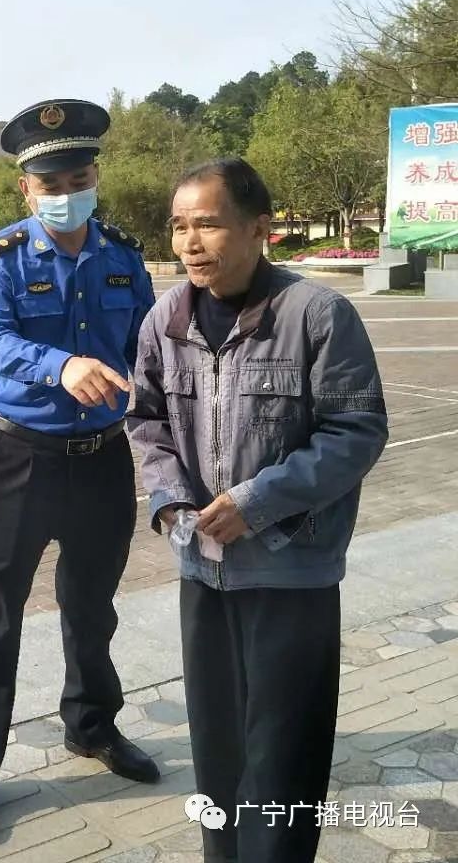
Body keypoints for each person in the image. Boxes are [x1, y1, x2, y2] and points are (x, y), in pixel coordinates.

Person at [128, 157, 388, 863]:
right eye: (180, 226)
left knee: (283, 758)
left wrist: (256, 502)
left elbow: (355, 433)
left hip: (290, 575)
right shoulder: (165, 320)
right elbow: (146, 420)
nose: (190, 242)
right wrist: (172, 500)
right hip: (203, 572)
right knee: (217, 752)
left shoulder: (317, 315)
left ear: (258, 229)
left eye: (207, 223)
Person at [0, 99, 161, 840]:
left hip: (103, 460)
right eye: (51, 180)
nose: (67, 189)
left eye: (80, 174)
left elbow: (152, 351)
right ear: (26, 191)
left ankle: (92, 726)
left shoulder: (124, 257)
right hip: (22, 456)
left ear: (97, 176)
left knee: (92, 606)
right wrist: (60, 366)